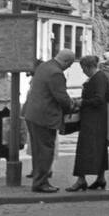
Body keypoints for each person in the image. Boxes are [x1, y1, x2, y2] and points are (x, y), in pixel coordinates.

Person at [21, 48, 76, 193]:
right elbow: (61, 98)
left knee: (38, 150)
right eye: (69, 65)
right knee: (46, 150)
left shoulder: (44, 66)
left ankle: (38, 180)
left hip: (32, 114)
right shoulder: (56, 73)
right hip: (44, 117)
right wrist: (72, 106)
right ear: (66, 62)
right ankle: (41, 183)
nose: (69, 68)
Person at [68, 54, 109, 192]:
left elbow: (98, 99)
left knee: (84, 149)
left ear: (87, 67)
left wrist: (82, 102)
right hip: (97, 119)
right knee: (99, 149)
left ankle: (81, 179)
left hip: (93, 120)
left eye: (83, 68)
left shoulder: (98, 79)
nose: (82, 71)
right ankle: (100, 178)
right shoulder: (100, 77)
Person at [0, 70, 26, 180]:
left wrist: (18, 114)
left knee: (9, 141)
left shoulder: (12, 80)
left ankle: (10, 167)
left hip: (10, 111)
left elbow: (17, 97)